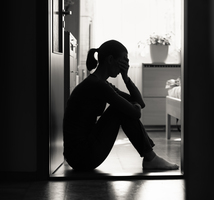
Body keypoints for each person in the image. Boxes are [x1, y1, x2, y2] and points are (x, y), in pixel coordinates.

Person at [63, 40, 179, 171]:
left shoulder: (101, 83)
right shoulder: (97, 85)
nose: (126, 65)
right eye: (124, 60)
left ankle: (150, 157)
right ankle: (150, 157)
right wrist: (133, 107)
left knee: (123, 108)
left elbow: (140, 103)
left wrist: (126, 78)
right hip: (82, 157)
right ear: (111, 59)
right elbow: (136, 112)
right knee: (119, 110)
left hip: (79, 155)